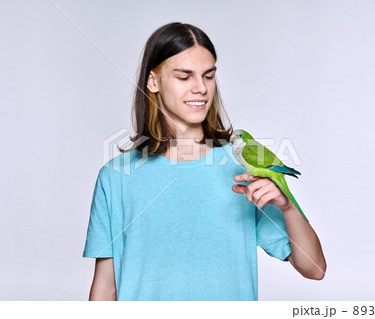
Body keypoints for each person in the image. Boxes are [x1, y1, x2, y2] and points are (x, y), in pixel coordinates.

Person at [83, 22, 326, 301]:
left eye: (208, 76)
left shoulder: (243, 169)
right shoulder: (115, 177)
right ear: (153, 81)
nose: (201, 88)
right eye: (184, 77)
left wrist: (287, 207)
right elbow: (105, 288)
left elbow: (315, 268)